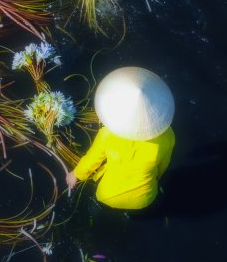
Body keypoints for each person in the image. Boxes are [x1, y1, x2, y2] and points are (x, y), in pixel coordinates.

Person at [65, 66, 175, 210]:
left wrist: (75, 174)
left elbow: (92, 160)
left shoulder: (107, 135)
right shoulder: (167, 136)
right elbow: (162, 167)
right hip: (145, 199)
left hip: (107, 196)